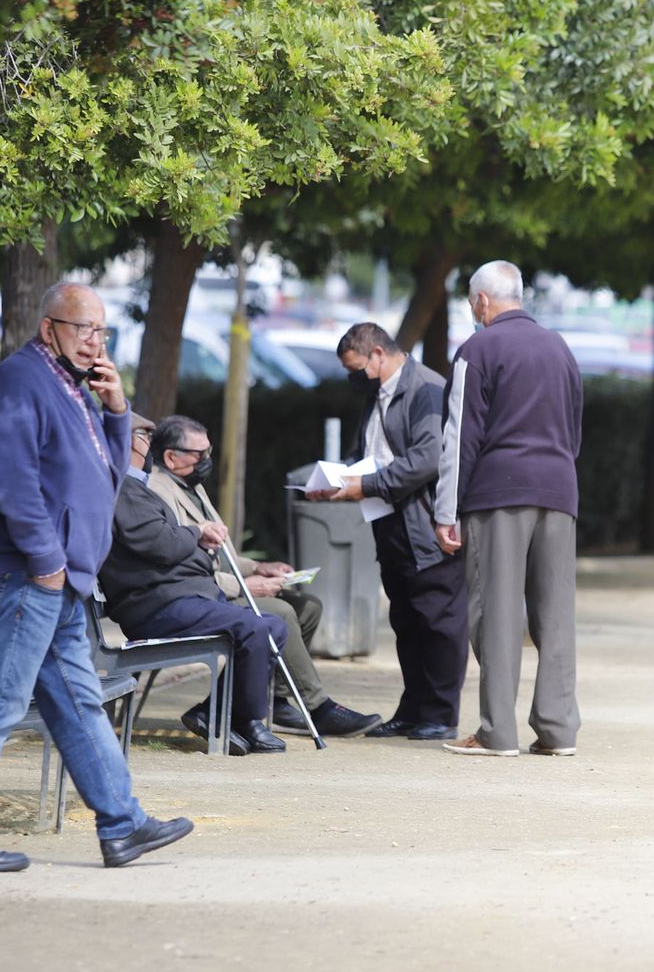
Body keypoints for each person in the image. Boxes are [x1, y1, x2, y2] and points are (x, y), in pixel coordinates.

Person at [0, 282, 191, 873]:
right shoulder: (21, 381)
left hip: (64, 583)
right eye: (83, 328)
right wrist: (46, 562)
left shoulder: (73, 388)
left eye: (102, 331)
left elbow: (109, 475)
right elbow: (13, 482)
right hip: (30, 578)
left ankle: (122, 824)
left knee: (79, 705)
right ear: (49, 329)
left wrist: (116, 409)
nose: (95, 342)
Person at [145, 415, 382, 738]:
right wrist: (245, 586)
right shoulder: (158, 490)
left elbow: (221, 555)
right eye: (199, 454)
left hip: (215, 587)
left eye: (209, 451)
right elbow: (183, 564)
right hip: (196, 595)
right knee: (280, 612)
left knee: (307, 607)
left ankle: (276, 700)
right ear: (171, 456)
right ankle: (318, 706)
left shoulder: (191, 486)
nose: (207, 460)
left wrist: (258, 568)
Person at [434, 260, 583, 757]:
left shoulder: (477, 350)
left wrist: (446, 511)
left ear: (482, 301)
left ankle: (497, 732)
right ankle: (558, 730)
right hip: (559, 490)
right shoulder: (559, 348)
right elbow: (575, 429)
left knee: (495, 612)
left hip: (498, 493)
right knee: (555, 614)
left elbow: (459, 436)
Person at [313, 322, 468, 741]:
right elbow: (369, 451)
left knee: (438, 620)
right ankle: (413, 709)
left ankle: (440, 714)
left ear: (378, 354)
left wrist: (365, 485)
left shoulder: (426, 389)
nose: (355, 377)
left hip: (425, 523)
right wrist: (337, 479)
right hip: (388, 520)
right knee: (406, 619)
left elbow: (427, 458)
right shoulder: (377, 392)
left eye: (357, 368)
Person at [100, 412, 287, 755]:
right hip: (156, 605)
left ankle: (214, 713)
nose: (150, 445)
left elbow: (167, 543)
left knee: (273, 625)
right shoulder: (122, 488)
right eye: (145, 437)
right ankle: (248, 720)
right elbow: (161, 544)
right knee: (255, 628)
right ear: (127, 443)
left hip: (178, 596)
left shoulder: (136, 488)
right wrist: (196, 534)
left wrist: (195, 544)